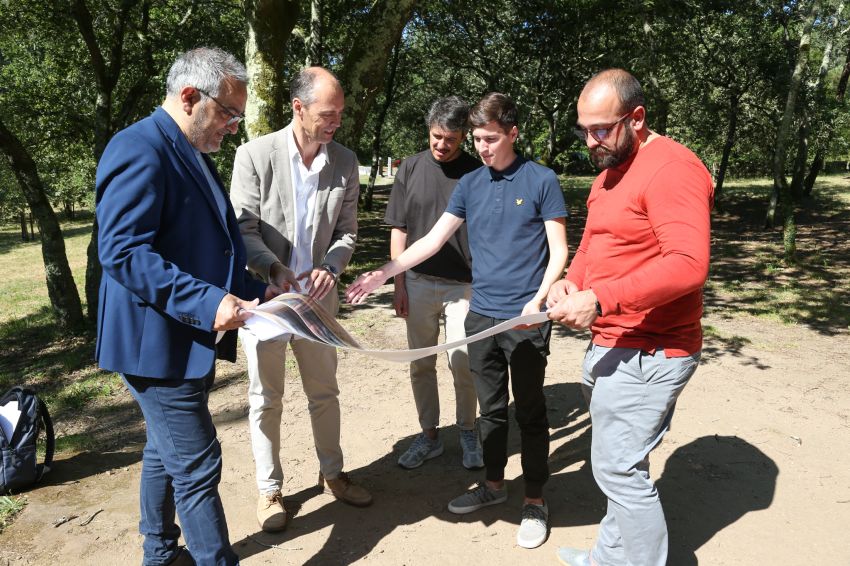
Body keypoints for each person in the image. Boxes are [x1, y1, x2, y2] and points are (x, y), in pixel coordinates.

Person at [347, 93, 568, 550]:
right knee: (490, 411)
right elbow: (430, 240)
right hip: (481, 315)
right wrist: (386, 273)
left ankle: (534, 500)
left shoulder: (542, 180)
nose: (482, 148)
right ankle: (491, 486)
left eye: (490, 139)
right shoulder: (471, 183)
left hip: (525, 319)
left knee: (528, 411)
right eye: (479, 140)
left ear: (512, 132)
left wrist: (539, 300)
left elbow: (560, 250)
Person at [96, 47, 276, 566]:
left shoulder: (190, 149)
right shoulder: (138, 147)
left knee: (163, 451)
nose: (234, 127)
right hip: (155, 345)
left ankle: (158, 552)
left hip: (184, 336)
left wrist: (256, 288)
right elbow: (124, 252)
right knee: (197, 466)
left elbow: (199, 248)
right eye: (228, 114)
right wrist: (207, 301)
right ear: (190, 97)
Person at [548, 69, 713, 566]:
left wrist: (599, 299)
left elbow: (688, 265)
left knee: (619, 471)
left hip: (652, 349)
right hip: (612, 343)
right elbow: (597, 240)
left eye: (601, 128)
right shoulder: (610, 170)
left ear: (636, 118)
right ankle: (608, 557)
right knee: (618, 464)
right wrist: (570, 281)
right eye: (583, 130)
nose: (590, 141)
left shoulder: (672, 169)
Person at [229, 66, 372, 534]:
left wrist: (331, 268)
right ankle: (270, 490)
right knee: (265, 398)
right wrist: (274, 270)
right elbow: (243, 229)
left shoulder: (345, 161)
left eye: (340, 115)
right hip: (268, 300)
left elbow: (348, 230)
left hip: (318, 303)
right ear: (298, 108)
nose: (336, 124)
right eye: (327, 115)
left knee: (324, 392)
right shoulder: (254, 155)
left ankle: (333, 474)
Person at [384, 96, 484, 470]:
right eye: (436, 137)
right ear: (429, 130)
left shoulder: (477, 173)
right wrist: (398, 285)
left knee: (463, 361)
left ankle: (468, 431)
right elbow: (400, 228)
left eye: (451, 139)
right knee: (421, 364)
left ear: (464, 137)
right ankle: (429, 436)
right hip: (418, 282)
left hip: (464, 287)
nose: (442, 146)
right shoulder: (409, 168)